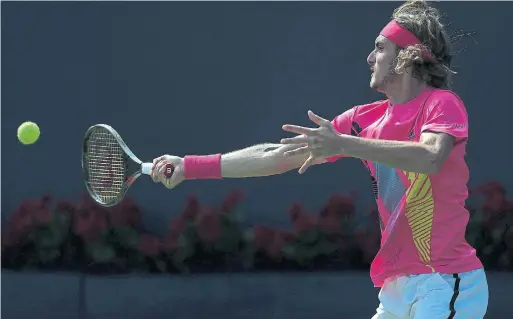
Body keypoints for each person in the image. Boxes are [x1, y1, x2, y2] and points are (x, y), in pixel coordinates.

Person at [151, 1, 488, 318]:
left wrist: (347, 144)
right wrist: (189, 165)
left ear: (407, 57)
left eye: (380, 48)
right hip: (396, 288)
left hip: (445, 281)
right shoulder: (361, 121)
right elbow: (277, 156)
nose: (370, 58)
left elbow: (430, 157)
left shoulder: (442, 104)